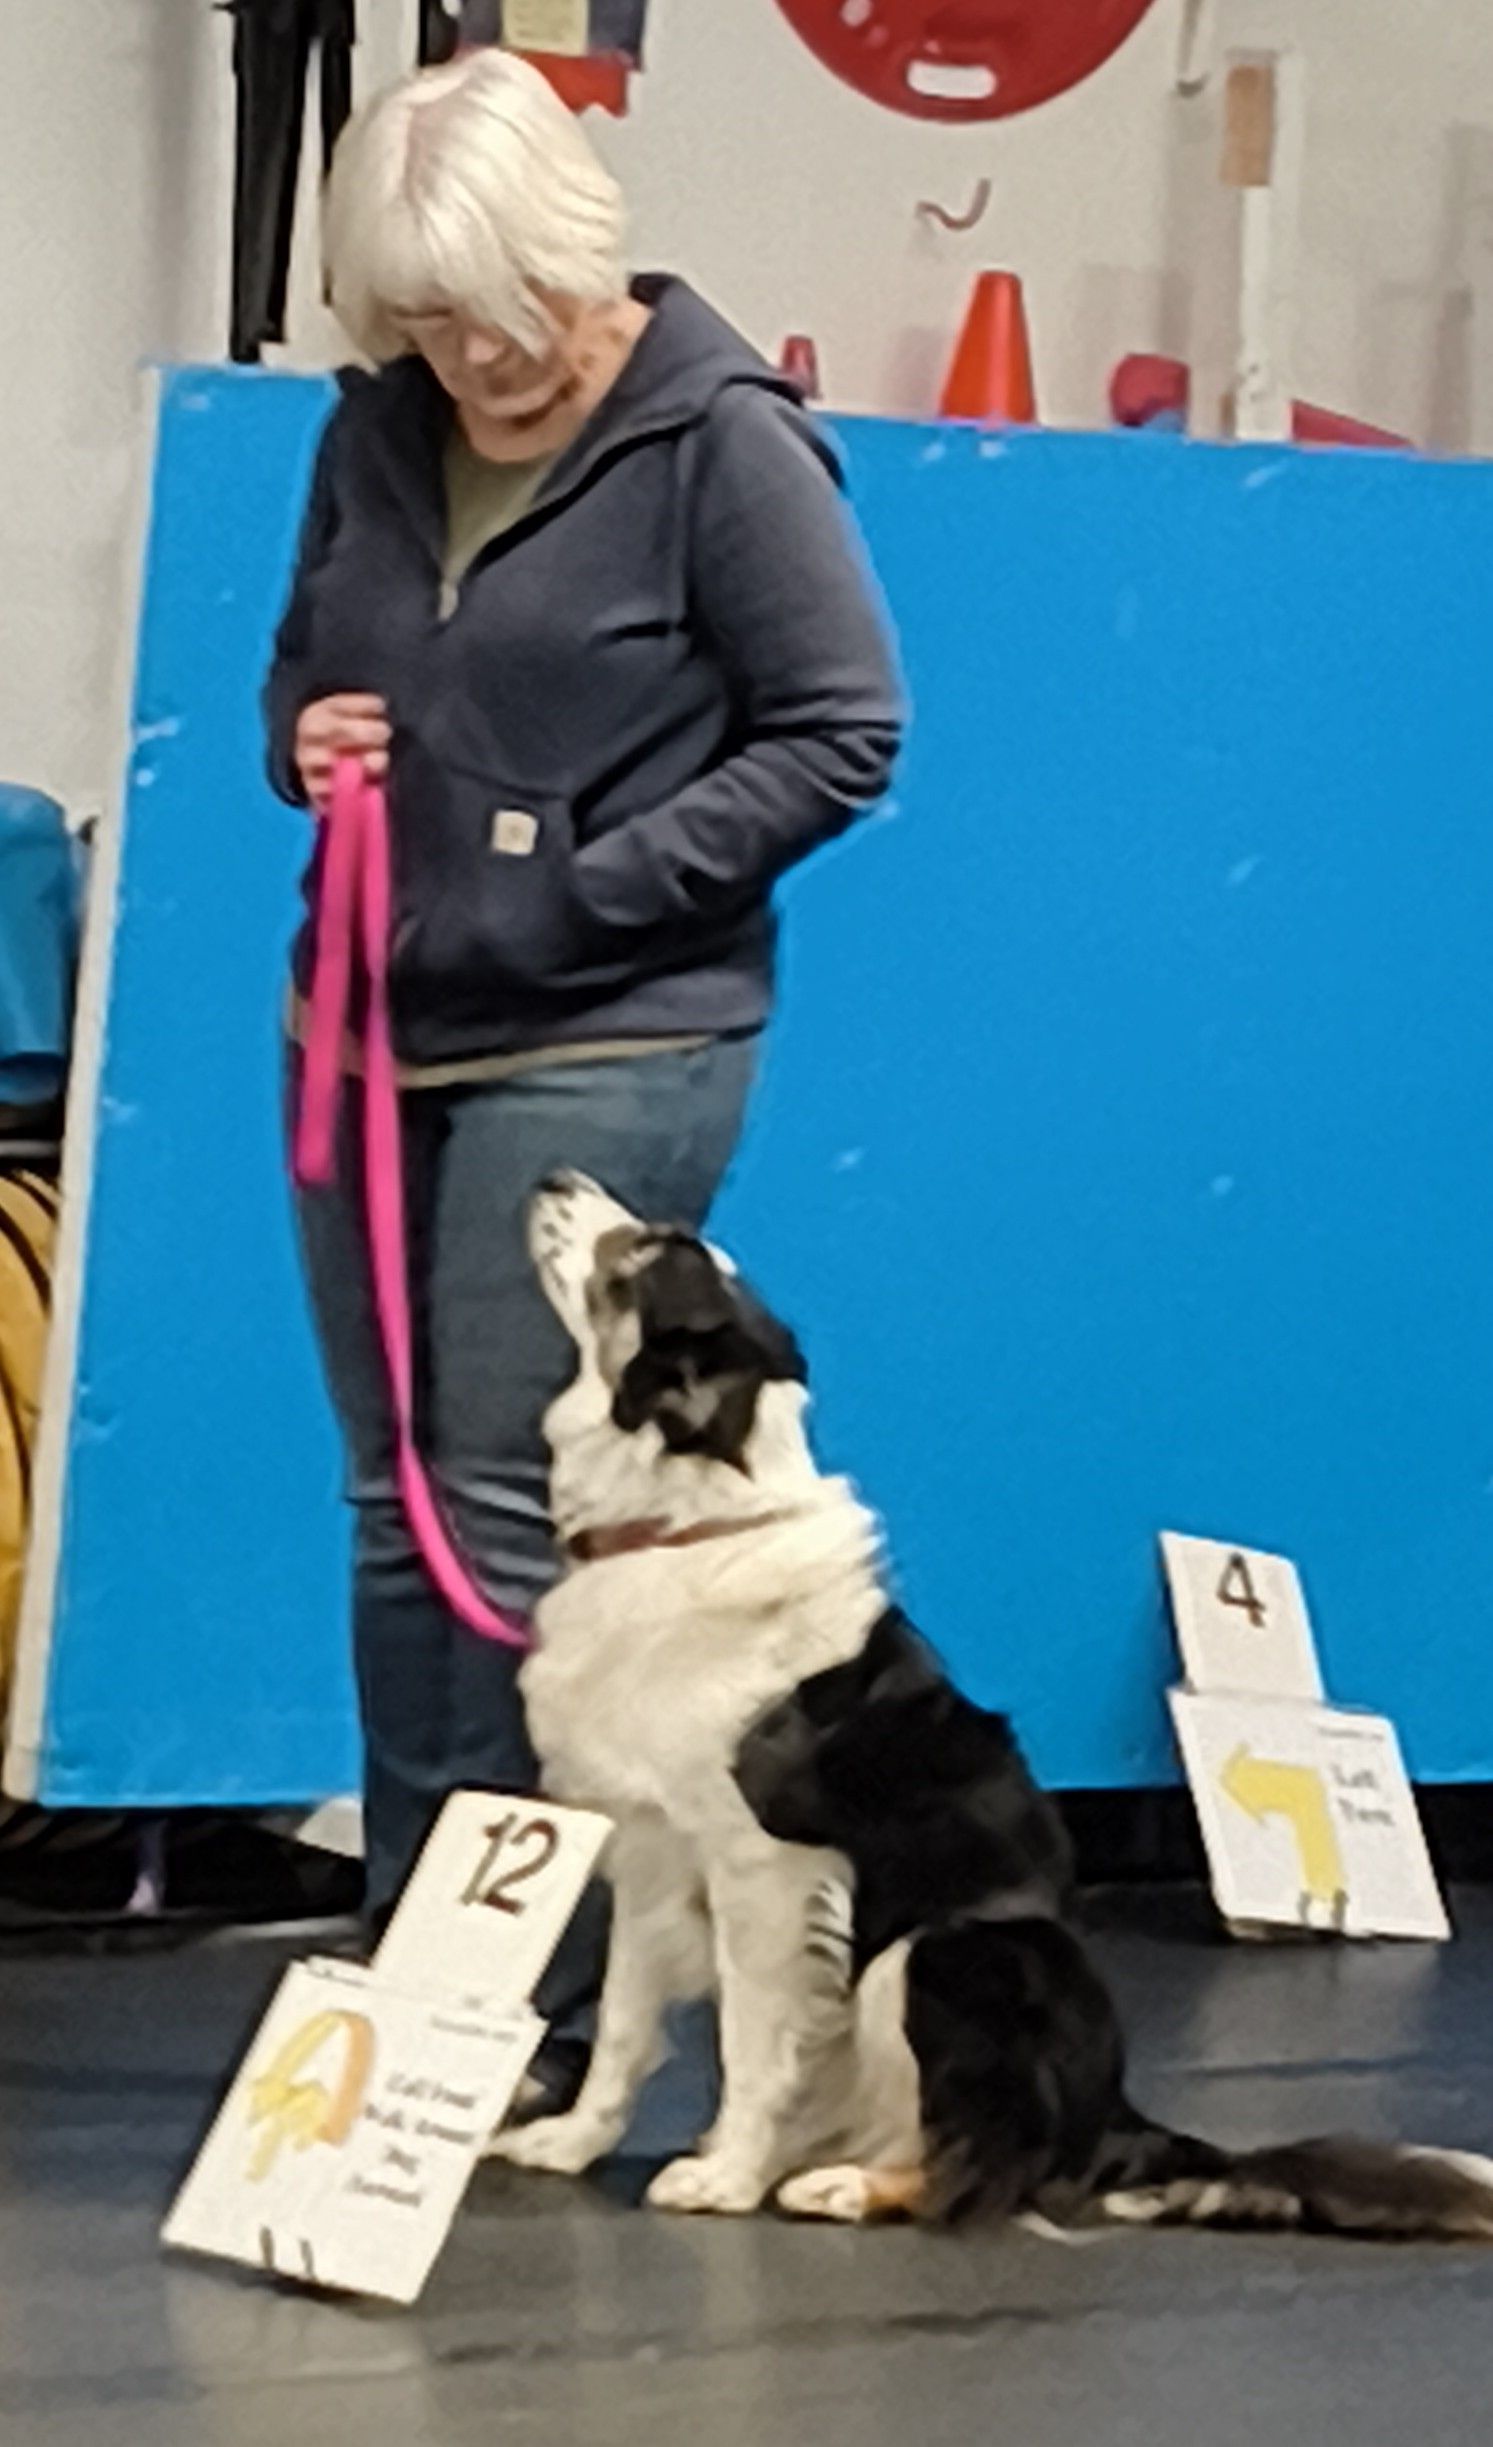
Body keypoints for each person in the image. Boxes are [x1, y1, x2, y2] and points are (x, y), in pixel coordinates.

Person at [264, 48, 902, 2086]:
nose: (473, 357)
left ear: (579, 251)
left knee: (492, 1500)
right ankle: (408, 1958)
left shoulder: (724, 445)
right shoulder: (374, 436)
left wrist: (578, 898)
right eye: (423, 322)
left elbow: (841, 732)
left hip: (613, 1031)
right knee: (396, 1507)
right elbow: (312, 659)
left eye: (502, 310)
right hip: (367, 1034)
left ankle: (506, 2006)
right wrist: (314, 743)